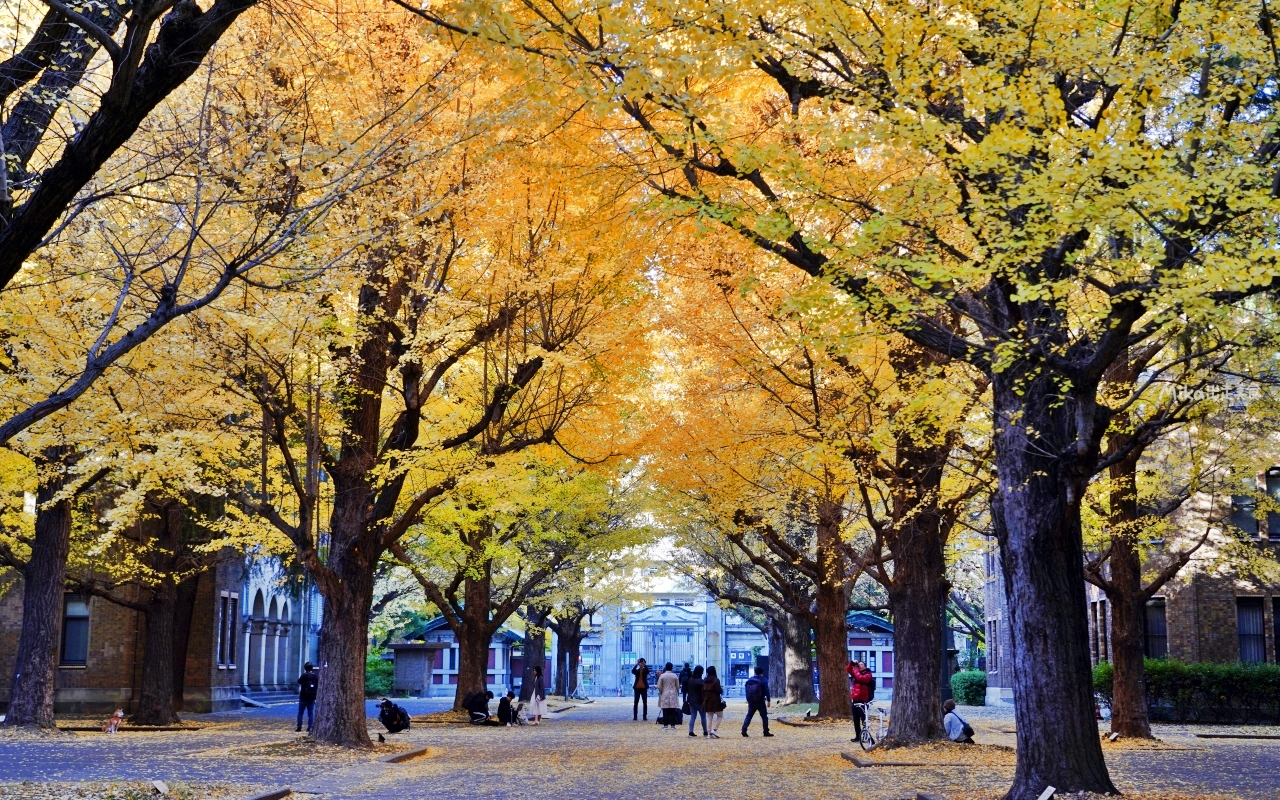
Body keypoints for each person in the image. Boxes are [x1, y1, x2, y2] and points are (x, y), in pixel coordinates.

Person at [847, 659, 875, 742]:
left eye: (861, 664)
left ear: (865, 666)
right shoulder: (855, 672)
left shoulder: (868, 673)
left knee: (864, 719)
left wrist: (855, 669)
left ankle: (868, 737)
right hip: (855, 699)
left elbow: (861, 679)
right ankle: (858, 736)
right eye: (858, 664)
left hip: (864, 700)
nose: (859, 665)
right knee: (856, 719)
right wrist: (852, 663)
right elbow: (848, 669)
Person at [741, 666, 773, 737]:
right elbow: (766, 690)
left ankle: (744, 729)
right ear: (762, 673)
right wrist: (768, 700)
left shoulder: (750, 680)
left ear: (755, 672)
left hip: (751, 701)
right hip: (760, 701)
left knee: (749, 715)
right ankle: (766, 731)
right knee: (764, 716)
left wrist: (748, 699)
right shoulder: (763, 680)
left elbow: (746, 690)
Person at [657, 661, 682, 729]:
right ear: (672, 668)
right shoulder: (674, 675)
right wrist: (677, 692)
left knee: (665, 710)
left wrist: (661, 692)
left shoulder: (662, 676)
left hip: (665, 693)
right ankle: (673, 725)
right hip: (673, 693)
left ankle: (665, 725)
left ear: (666, 667)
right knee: (672, 710)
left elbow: (659, 686)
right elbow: (677, 686)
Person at [296, 662, 318, 733]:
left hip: (303, 696)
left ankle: (299, 727)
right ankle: (310, 727)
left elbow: (299, 681)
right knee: (310, 712)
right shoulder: (315, 676)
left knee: (300, 713)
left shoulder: (304, 676)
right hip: (312, 697)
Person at [703, 665, 724, 739]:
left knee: (709, 716)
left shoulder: (705, 680)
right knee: (720, 715)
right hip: (715, 700)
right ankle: (714, 729)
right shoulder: (715, 680)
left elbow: (702, 690)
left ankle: (709, 733)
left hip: (707, 700)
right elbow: (719, 691)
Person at [686, 665, 707, 737]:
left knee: (693, 716)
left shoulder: (690, 680)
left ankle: (690, 732)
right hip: (699, 701)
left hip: (691, 700)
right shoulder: (701, 681)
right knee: (703, 717)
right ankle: (705, 731)